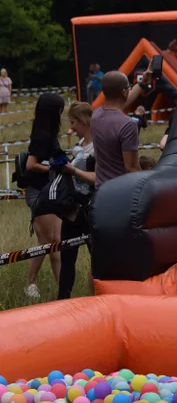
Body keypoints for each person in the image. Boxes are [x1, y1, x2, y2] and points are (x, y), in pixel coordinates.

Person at [24, 92, 65, 299]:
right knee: (45, 241)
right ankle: (30, 283)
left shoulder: (49, 133)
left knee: (56, 240)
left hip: (52, 190)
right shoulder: (42, 136)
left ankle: (61, 286)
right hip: (40, 192)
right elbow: (31, 164)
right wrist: (53, 167)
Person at [90, 64, 153, 189]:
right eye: (128, 87)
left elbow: (119, 103)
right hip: (121, 192)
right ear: (124, 92)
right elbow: (132, 167)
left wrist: (142, 83)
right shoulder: (127, 124)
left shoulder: (96, 115)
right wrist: (149, 188)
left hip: (101, 190)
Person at [58, 102, 96, 300]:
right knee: (67, 259)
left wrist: (74, 171)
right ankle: (63, 301)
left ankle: (97, 301)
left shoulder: (98, 145)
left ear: (83, 120)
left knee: (97, 261)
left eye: (73, 121)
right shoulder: (79, 144)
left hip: (92, 208)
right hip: (73, 209)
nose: (71, 126)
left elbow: (100, 177)